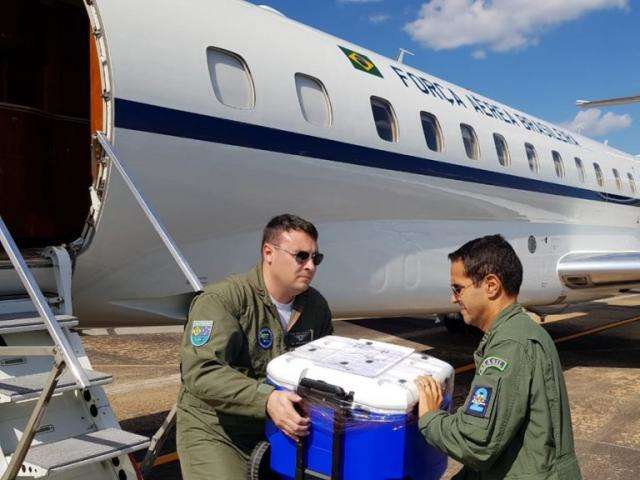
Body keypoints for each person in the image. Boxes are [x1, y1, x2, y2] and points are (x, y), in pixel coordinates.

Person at [177, 214, 333, 480]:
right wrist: (267, 399)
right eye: (301, 256)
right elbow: (201, 372)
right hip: (218, 429)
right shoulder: (223, 300)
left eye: (315, 258)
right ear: (268, 253)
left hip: (278, 428)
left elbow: (327, 365)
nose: (310, 266)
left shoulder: (315, 306)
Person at [415, 234, 582, 479]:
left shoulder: (510, 346)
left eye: (458, 288)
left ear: (491, 285)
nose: (453, 298)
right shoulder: (518, 332)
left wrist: (430, 419)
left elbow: (476, 442)